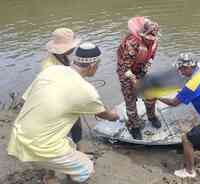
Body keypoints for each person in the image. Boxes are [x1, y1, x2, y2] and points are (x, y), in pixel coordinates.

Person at [8, 42, 119, 184]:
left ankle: (52, 175)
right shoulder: (86, 90)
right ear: (93, 65)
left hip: (18, 137)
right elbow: (105, 114)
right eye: (99, 64)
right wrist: (116, 115)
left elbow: (25, 100)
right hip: (38, 147)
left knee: (70, 144)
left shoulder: (50, 71)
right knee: (86, 168)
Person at [38, 28, 85, 152]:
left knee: (76, 124)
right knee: (64, 129)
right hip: (58, 102)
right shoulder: (48, 65)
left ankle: (79, 150)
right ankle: (70, 154)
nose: (74, 48)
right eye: (72, 46)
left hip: (68, 99)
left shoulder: (63, 58)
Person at [116, 17, 161, 140]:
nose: (150, 41)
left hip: (141, 69)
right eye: (148, 39)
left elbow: (151, 58)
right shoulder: (131, 44)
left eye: (153, 38)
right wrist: (134, 81)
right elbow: (125, 68)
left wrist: (143, 75)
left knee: (150, 94)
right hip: (126, 71)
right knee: (130, 98)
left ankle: (151, 116)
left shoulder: (155, 43)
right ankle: (134, 125)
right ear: (142, 36)